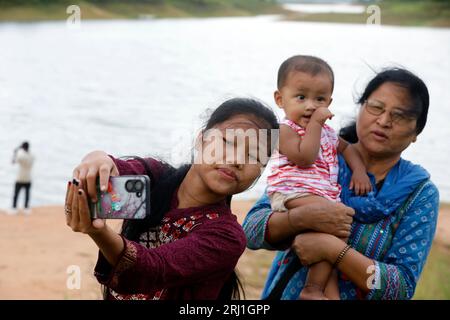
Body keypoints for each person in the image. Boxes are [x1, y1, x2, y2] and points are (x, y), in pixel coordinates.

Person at [243, 68, 439, 300]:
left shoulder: (419, 194)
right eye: (376, 107)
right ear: (361, 109)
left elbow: (400, 289)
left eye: (400, 115)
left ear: (416, 131)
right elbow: (251, 230)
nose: (384, 121)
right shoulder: (317, 152)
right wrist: (298, 219)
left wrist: (332, 249)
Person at [64, 98, 279, 300]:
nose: (236, 160)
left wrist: (97, 231)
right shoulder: (155, 180)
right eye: (229, 142)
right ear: (201, 140)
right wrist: (96, 159)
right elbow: (111, 178)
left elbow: (151, 270)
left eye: (253, 156)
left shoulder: (226, 236)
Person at [267, 55, 371, 300]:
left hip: (319, 195)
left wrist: (359, 170)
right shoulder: (282, 130)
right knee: (334, 223)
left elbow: (348, 149)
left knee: (337, 234)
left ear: (329, 101)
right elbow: (305, 157)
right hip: (292, 192)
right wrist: (315, 123)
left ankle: (327, 290)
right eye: (301, 97)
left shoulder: (326, 132)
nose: (311, 105)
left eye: (320, 99)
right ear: (280, 99)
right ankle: (311, 289)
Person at [10, 141, 34, 215]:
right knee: (27, 194)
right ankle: (26, 208)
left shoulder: (21, 156)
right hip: (28, 178)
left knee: (16, 194)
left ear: (23, 147)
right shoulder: (32, 155)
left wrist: (16, 151)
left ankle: (14, 208)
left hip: (20, 178)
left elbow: (13, 161)